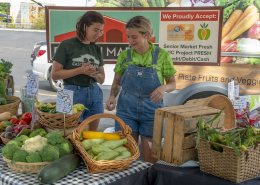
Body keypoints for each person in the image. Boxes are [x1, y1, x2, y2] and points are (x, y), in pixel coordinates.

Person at [105, 16, 177, 163]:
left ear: (145, 35)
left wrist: (164, 87)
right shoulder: (125, 56)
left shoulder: (162, 55)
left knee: (150, 159)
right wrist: (112, 96)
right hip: (126, 109)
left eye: (134, 37)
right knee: (125, 155)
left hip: (151, 109)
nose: (130, 41)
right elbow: (117, 81)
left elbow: (172, 83)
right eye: (128, 37)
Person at [51, 11, 105, 131]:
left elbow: (102, 79)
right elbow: (54, 74)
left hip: (95, 92)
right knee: (69, 135)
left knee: (91, 136)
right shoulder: (66, 45)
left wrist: (93, 73)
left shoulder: (96, 48)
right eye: (96, 30)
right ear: (85, 26)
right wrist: (80, 70)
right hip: (70, 92)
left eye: (100, 31)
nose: (98, 34)